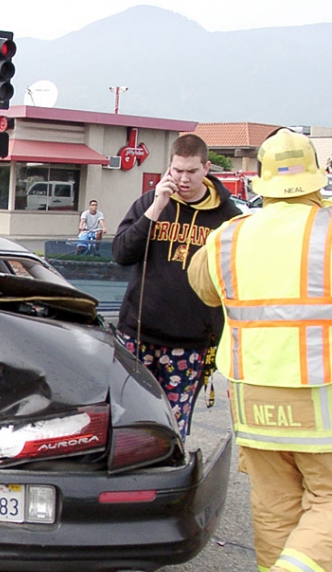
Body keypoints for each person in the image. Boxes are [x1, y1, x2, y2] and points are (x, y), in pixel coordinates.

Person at [188, 128, 332, 572]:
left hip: (253, 392)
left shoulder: (231, 235)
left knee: (275, 498)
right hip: (323, 387)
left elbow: (203, 286)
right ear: (315, 173)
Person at [112, 133, 240, 439]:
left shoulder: (227, 217)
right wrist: (156, 209)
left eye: (192, 171)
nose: (183, 179)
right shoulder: (150, 203)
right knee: (128, 419)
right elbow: (121, 253)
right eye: (177, 170)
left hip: (190, 340)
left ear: (207, 168)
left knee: (173, 425)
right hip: (138, 332)